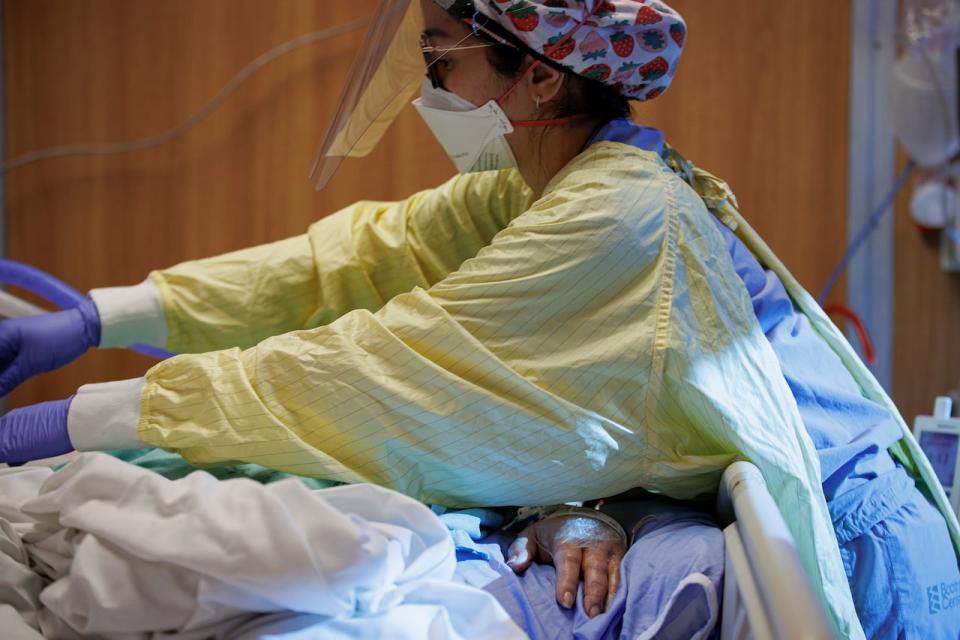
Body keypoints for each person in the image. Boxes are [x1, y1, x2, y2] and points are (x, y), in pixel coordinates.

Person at [0, 1, 958, 637]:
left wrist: (84, 417)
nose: (428, 89)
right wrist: (100, 315)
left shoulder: (619, 215)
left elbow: (389, 368)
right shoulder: (543, 181)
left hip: (855, 546)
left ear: (540, 77)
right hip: (756, 510)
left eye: (441, 60)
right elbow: (356, 260)